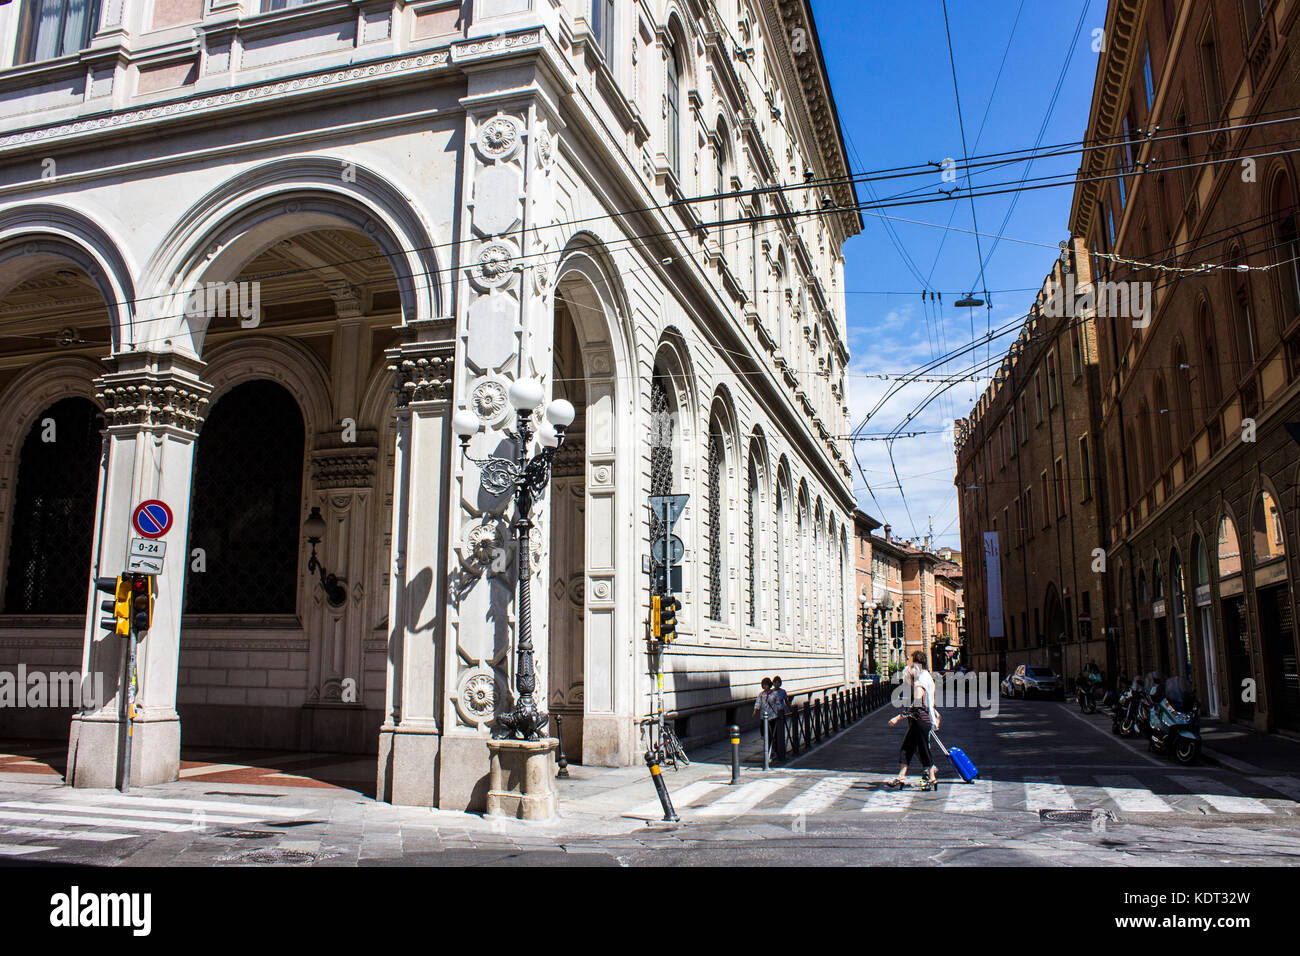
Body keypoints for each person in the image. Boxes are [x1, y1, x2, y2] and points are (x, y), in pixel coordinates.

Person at [886, 651, 940, 790]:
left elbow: (917, 704)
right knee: (908, 748)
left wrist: (898, 717)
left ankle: (931, 777)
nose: (908, 664)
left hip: (920, 720)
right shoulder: (924, 676)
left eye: (910, 661)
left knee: (922, 750)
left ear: (916, 662)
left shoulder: (921, 679)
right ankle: (901, 776)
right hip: (919, 720)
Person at [770, 676, 790, 760]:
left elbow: (786, 701)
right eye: (775, 682)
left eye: (778, 682)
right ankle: (774, 749)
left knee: (780, 732)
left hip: (781, 714)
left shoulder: (783, 692)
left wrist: (790, 709)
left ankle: (780, 749)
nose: (776, 684)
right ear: (773, 683)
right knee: (773, 732)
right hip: (773, 714)